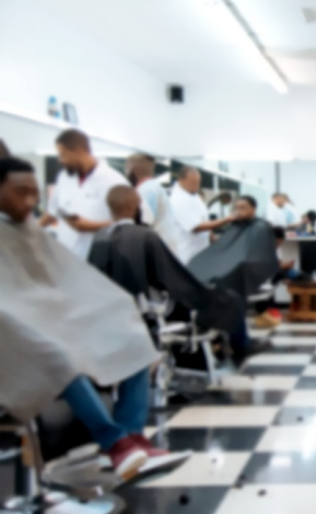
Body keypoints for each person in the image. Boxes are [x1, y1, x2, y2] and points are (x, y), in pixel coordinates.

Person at [0, 158, 186, 481]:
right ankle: (114, 443)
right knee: (56, 355)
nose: (29, 201)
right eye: (20, 192)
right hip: (13, 336)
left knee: (132, 337)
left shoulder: (29, 232)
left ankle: (133, 436)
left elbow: (62, 282)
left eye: (34, 193)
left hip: (46, 321)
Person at [88, 186, 253, 363]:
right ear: (136, 206)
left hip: (115, 313)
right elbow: (176, 279)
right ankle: (240, 349)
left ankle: (218, 346)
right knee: (231, 298)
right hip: (152, 310)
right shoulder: (146, 237)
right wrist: (204, 290)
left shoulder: (97, 239)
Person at [41, 129, 128, 259]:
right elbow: (53, 213)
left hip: (98, 258)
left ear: (79, 151)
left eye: (63, 155)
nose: (60, 160)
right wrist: (26, 229)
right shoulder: (64, 178)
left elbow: (129, 222)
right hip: (65, 257)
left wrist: (92, 226)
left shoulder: (114, 180)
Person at [169, 166, 233, 263]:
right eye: (192, 183)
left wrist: (212, 237)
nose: (196, 187)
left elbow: (204, 220)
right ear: (181, 180)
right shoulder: (177, 200)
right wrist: (227, 219)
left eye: (198, 183)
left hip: (200, 255)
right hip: (186, 257)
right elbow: (196, 227)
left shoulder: (193, 195)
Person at [125, 153, 179, 254]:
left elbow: (143, 224)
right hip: (166, 246)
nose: (126, 172)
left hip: (159, 250)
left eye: (127, 168)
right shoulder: (153, 187)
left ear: (134, 170)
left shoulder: (146, 190)